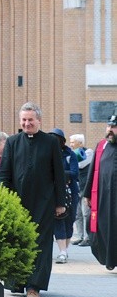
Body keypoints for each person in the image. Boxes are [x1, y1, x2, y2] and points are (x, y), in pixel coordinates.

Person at [0, 102, 66, 297]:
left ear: (39, 120)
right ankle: (17, 283)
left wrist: (60, 202)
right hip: (17, 202)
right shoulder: (12, 142)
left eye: (30, 120)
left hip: (44, 203)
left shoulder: (51, 142)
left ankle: (34, 287)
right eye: (24, 120)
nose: (27, 123)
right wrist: (4, 198)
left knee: (41, 244)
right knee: (17, 240)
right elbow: (4, 173)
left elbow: (59, 174)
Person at [82, 114, 117, 270]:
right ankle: (109, 259)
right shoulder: (101, 146)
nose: (110, 130)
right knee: (100, 227)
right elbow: (93, 170)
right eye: (108, 126)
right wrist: (88, 193)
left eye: (114, 127)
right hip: (104, 198)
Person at [49, 128, 79, 264]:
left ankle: (64, 250)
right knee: (59, 219)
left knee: (69, 220)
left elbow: (74, 173)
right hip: (54, 192)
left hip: (70, 193)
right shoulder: (47, 154)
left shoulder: (69, 154)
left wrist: (59, 174)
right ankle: (62, 251)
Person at [70, 133, 93, 246]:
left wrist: (70, 160)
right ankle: (80, 235)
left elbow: (80, 165)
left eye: (73, 142)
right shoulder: (72, 154)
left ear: (80, 143)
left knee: (85, 213)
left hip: (85, 187)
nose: (71, 145)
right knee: (77, 213)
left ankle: (87, 237)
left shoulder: (89, 152)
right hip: (76, 187)